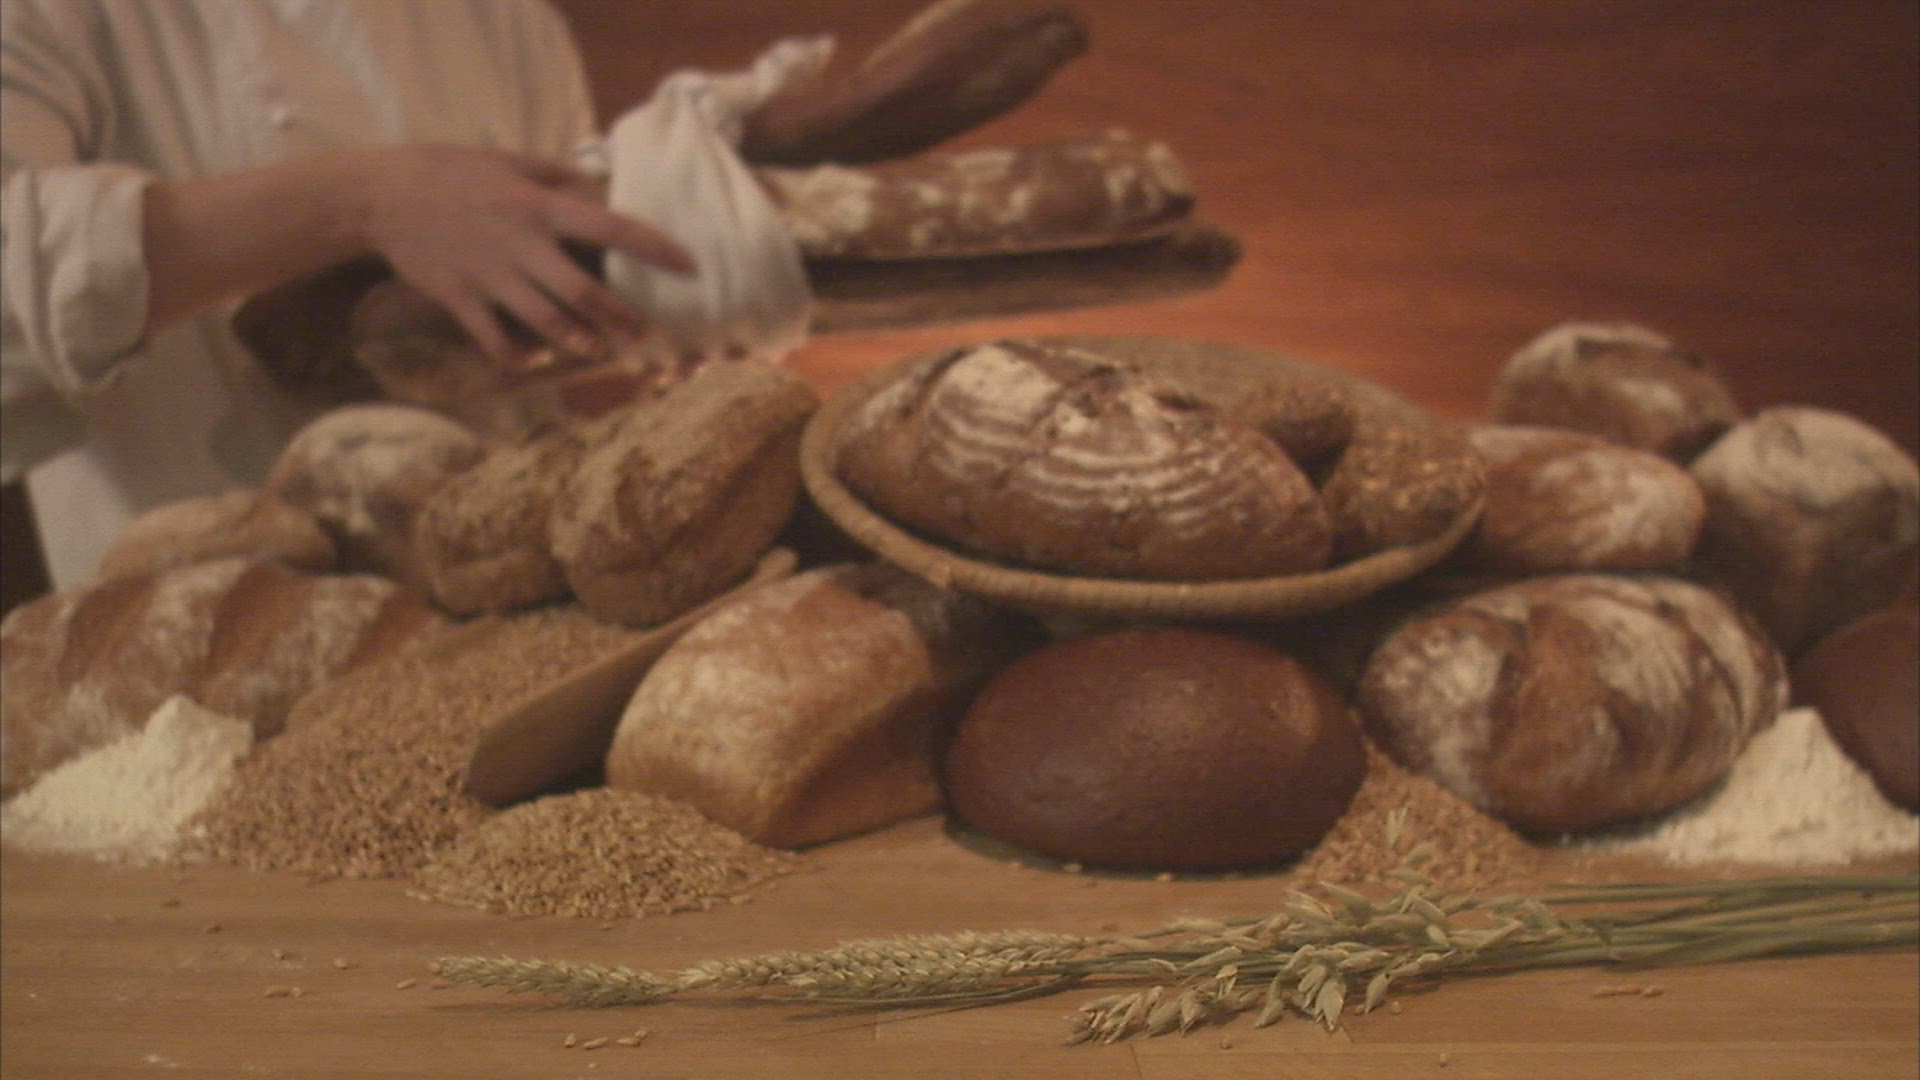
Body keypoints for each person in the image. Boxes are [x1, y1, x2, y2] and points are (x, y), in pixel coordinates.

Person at [0, 0, 694, 590]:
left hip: (513, 601)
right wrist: (368, 201)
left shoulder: (504, 17)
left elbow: (556, 300)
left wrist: (668, 302)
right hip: (196, 631)